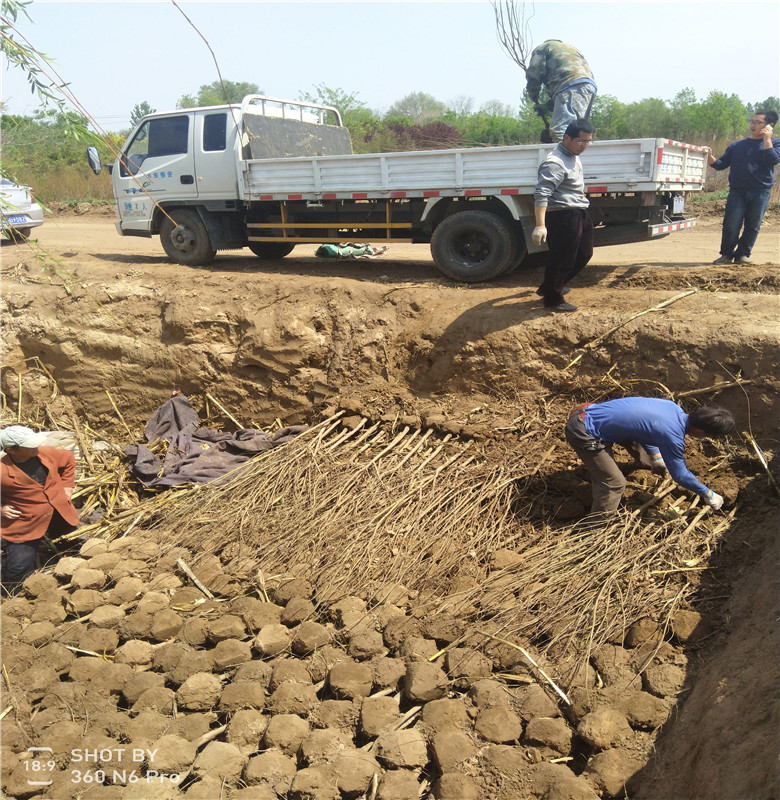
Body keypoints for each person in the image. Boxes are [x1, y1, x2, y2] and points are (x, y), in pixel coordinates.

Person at [564, 398, 734, 518]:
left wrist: (655, 457)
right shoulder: (672, 436)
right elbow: (680, 475)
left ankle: (646, 463)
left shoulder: (672, 407)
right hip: (584, 431)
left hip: (591, 411)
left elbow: (648, 428)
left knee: (641, 438)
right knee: (614, 483)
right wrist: (708, 493)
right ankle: (595, 529)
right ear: (702, 432)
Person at [1, 425, 80, 594]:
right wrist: (1, 508)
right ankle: (12, 600)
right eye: (29, 445)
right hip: (27, 523)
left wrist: (67, 486)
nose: (35, 447)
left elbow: (68, 459)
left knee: (77, 549)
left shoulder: (45, 454)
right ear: (11, 450)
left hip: (59, 513)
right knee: (18, 571)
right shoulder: (2, 471)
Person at [532, 118, 595, 313]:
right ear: (567, 138)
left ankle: (550, 286)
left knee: (585, 253)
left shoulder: (574, 154)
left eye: (588, 141)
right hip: (563, 215)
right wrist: (540, 225)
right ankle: (553, 299)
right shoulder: (555, 162)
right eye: (580, 141)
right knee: (562, 258)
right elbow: (542, 193)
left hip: (579, 211)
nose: (584, 146)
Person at [706, 110, 780, 265]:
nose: (752, 125)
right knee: (731, 224)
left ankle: (742, 255)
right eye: (752, 121)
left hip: (761, 191)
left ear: (769, 125)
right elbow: (721, 165)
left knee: (753, 226)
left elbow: (772, 160)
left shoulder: (775, 143)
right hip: (737, 191)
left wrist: (767, 139)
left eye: (757, 122)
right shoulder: (737, 145)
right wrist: (710, 157)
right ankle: (726, 254)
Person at [526, 40, 597, 142]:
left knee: (561, 131)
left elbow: (535, 72)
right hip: (589, 86)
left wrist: (533, 94)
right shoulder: (571, 49)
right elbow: (566, 99)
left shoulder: (542, 48)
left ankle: (561, 157)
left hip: (570, 85)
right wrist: (546, 106)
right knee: (576, 132)